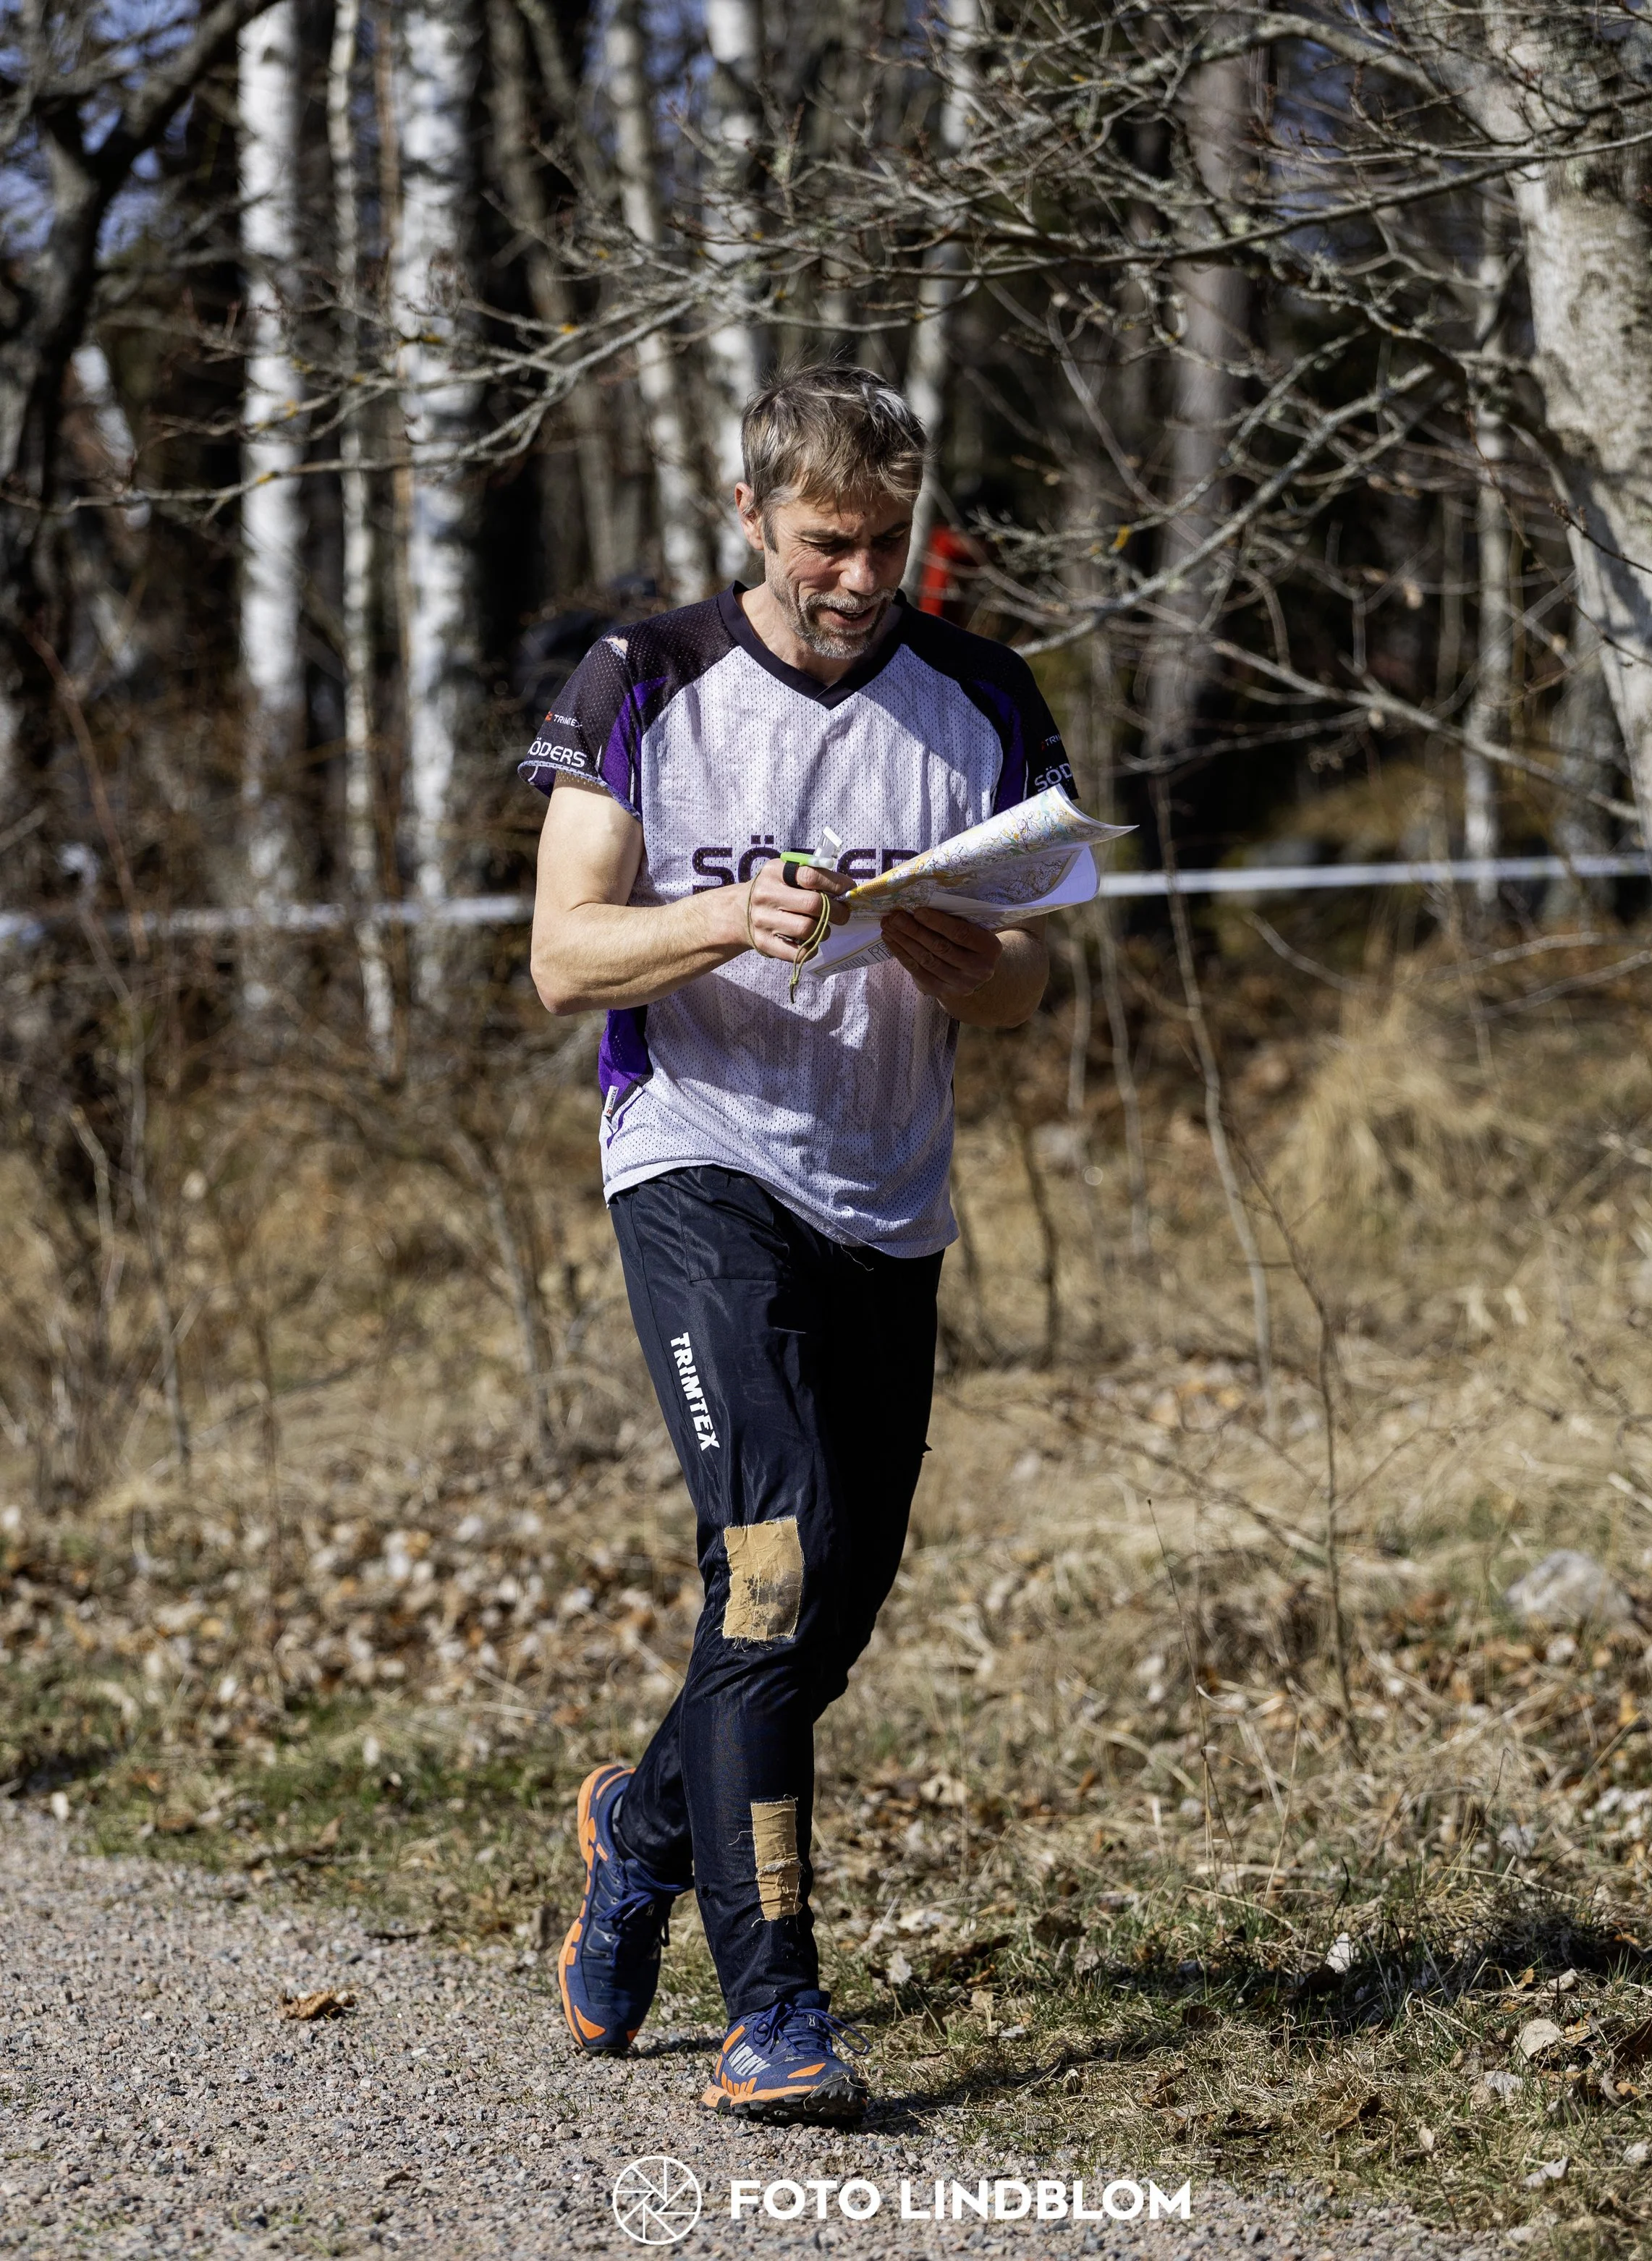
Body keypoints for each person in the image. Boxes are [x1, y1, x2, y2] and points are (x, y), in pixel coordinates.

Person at [521, 363, 1074, 2126]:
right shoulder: (648, 679)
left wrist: (972, 966)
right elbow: (560, 954)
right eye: (828, 539)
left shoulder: (979, 694)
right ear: (751, 516)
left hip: (885, 1188)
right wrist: (715, 919)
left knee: (827, 1608)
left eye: (887, 541)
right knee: (762, 1568)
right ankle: (778, 2011)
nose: (857, 576)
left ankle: (641, 1831)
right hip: (695, 1155)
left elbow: (1042, 967)